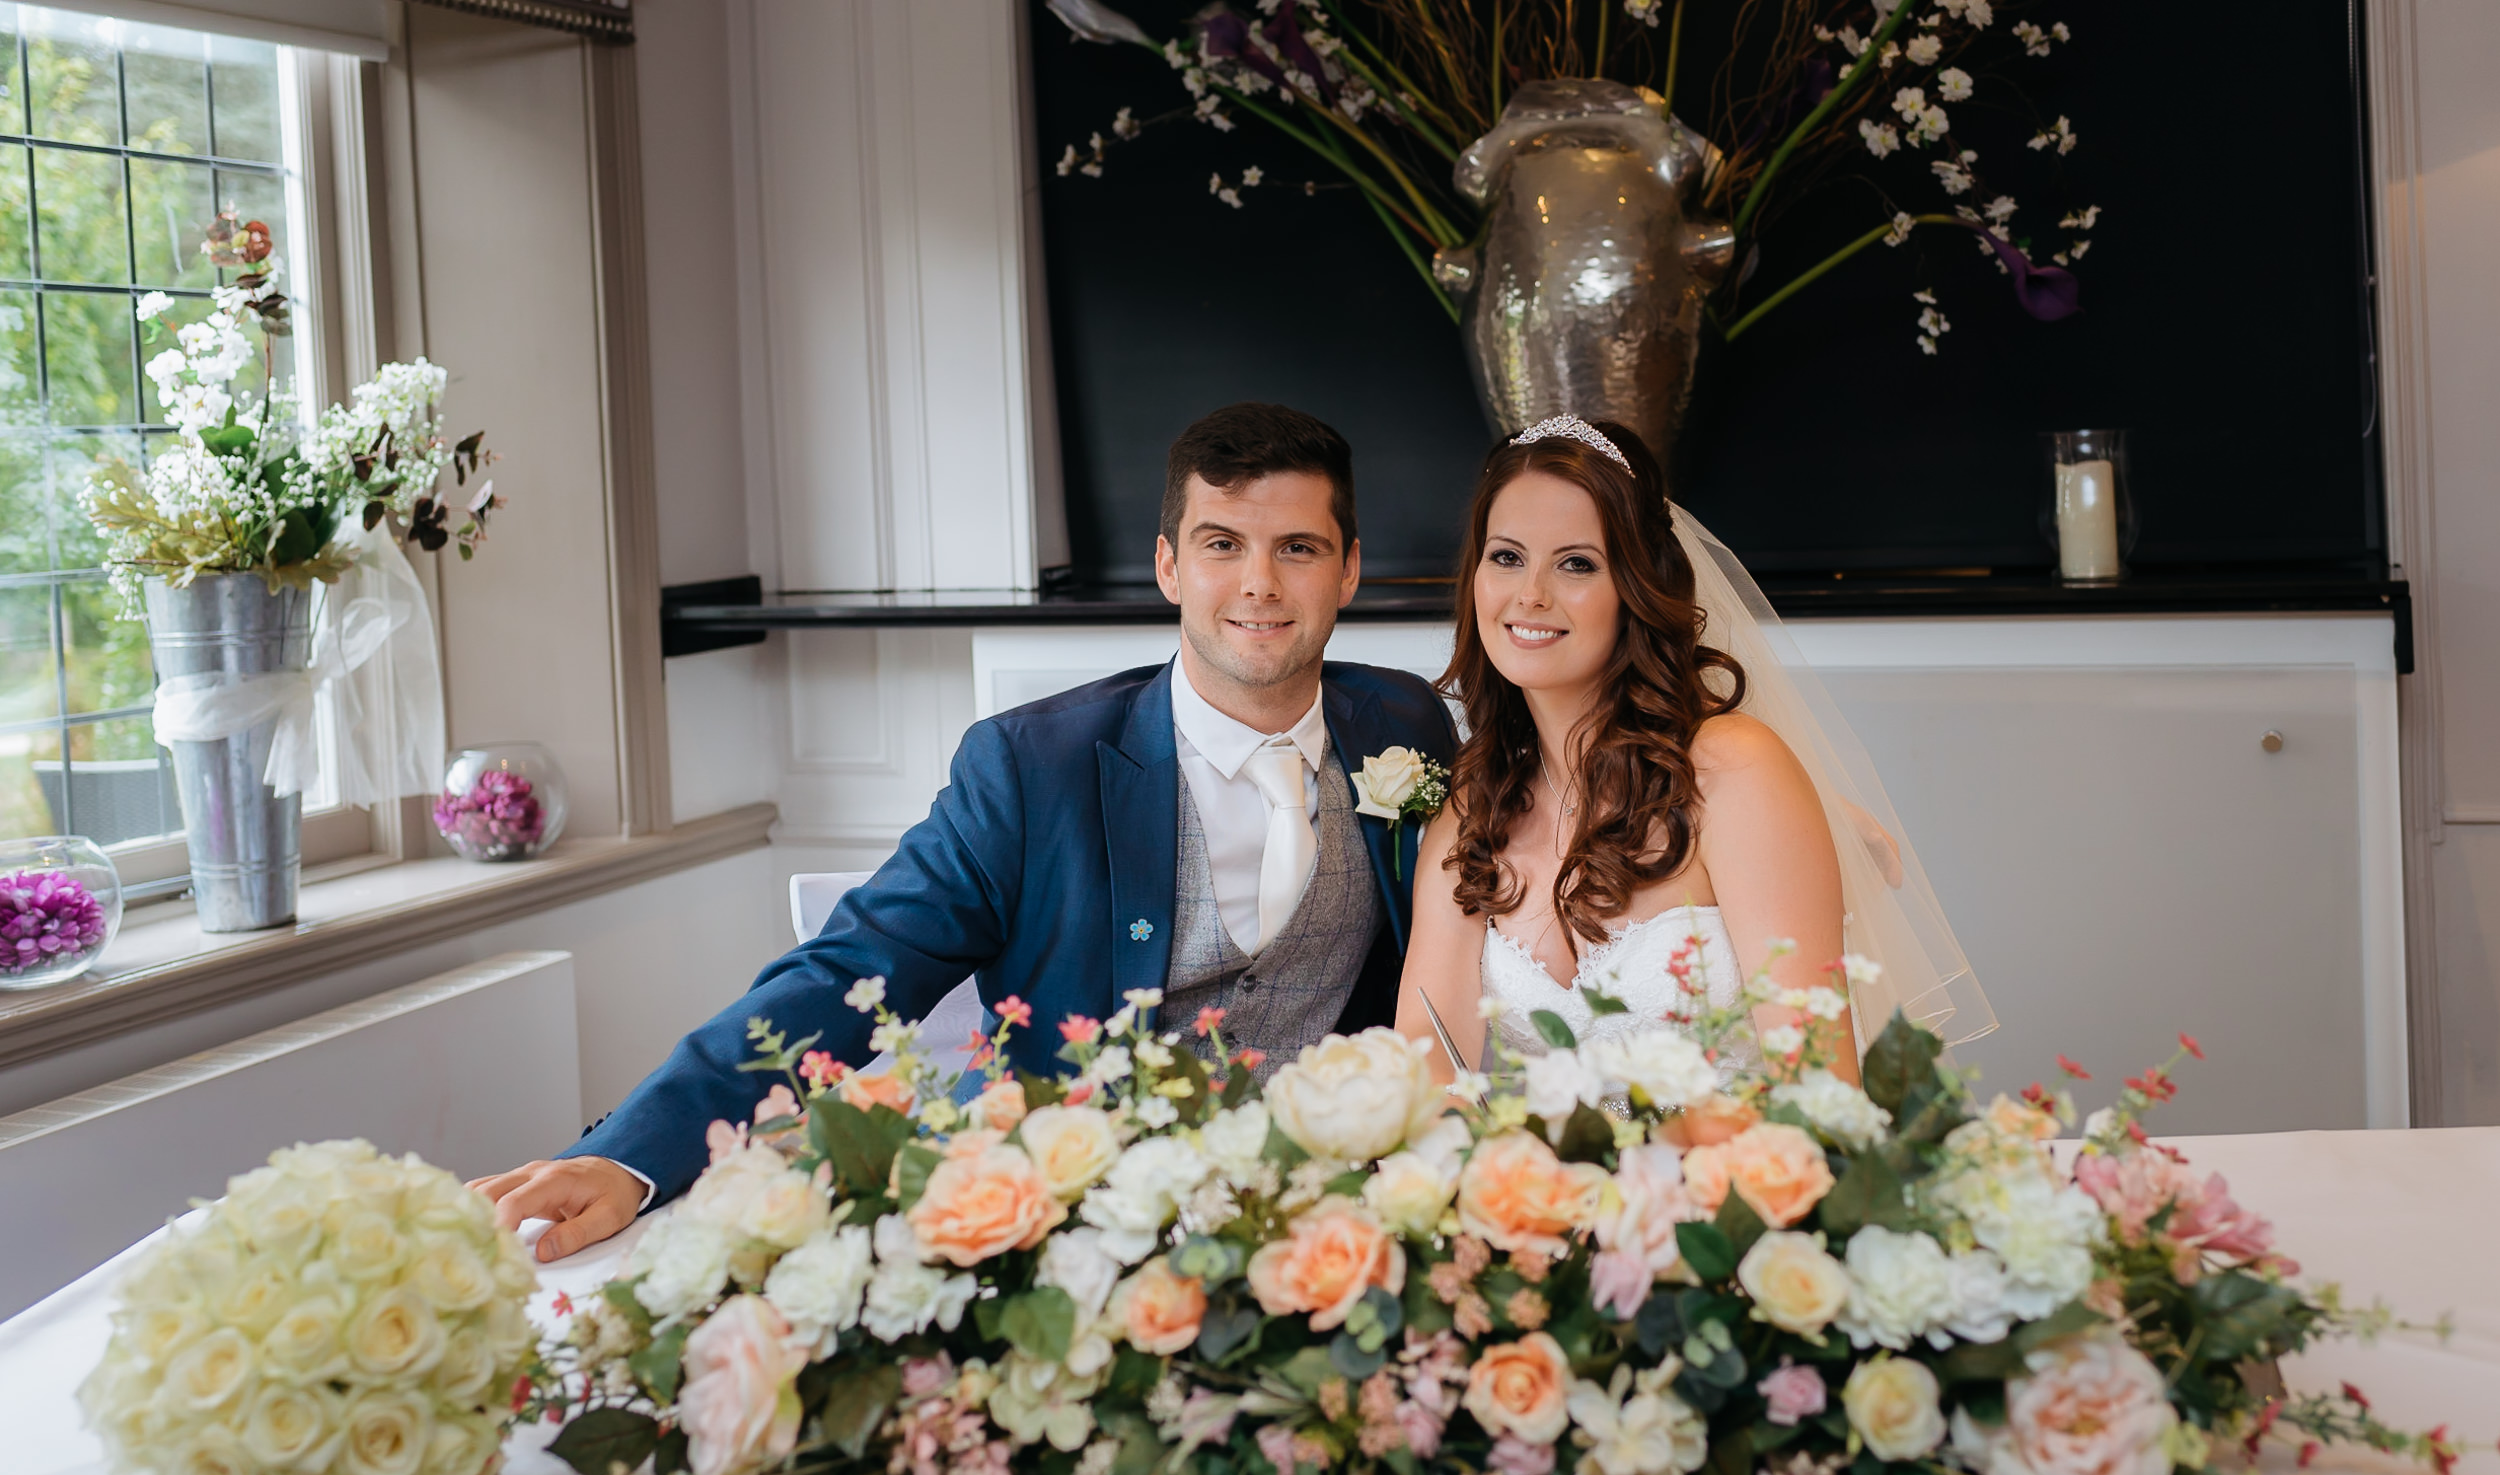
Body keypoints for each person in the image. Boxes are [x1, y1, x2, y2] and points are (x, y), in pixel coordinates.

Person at [477, 403, 1458, 1259]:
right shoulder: (1033, 768)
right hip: (1080, 1216)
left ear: (1349, 568)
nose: (1260, 583)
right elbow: (843, 972)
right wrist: (626, 1156)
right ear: (1167, 565)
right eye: (1220, 544)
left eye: (1297, 547)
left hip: (1332, 1211)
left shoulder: (1402, 726)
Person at [1398, 414, 1989, 1079]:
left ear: (1636, 584)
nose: (1530, 594)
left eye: (1576, 564)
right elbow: (1424, 1069)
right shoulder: (1475, 806)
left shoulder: (1735, 772)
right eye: (1506, 556)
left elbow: (1819, 1084)